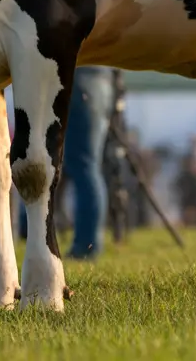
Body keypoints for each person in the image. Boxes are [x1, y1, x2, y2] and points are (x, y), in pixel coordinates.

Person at [60, 67, 117, 259]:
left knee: (84, 166)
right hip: (101, 79)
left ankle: (86, 245)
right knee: (88, 165)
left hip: (80, 76)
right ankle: (88, 243)